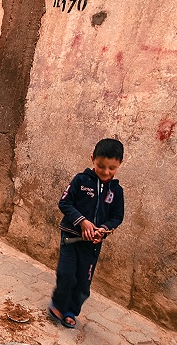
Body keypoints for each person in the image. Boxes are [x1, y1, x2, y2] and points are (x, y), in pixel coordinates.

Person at [48, 138, 124, 329]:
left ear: (120, 164)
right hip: (71, 238)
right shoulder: (80, 181)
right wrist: (82, 221)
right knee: (66, 274)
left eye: (112, 168)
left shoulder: (116, 191)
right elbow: (64, 203)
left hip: (92, 245)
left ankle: (71, 310)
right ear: (92, 159)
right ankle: (58, 304)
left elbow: (117, 217)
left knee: (83, 282)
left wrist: (103, 229)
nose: (106, 172)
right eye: (101, 166)